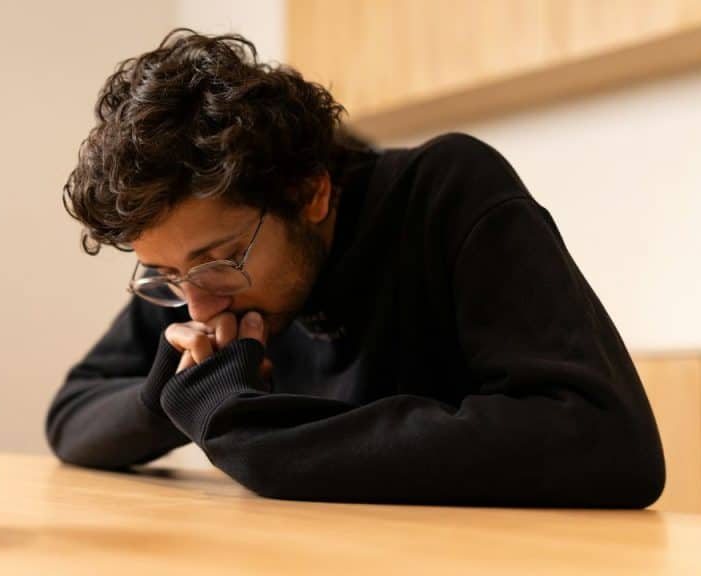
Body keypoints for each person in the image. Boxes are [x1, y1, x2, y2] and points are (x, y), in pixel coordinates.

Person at [45, 28, 666, 507]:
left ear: (311, 193)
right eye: (165, 277)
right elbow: (71, 417)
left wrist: (253, 435)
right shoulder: (193, 266)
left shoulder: (444, 191)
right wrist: (172, 394)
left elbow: (607, 441)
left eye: (220, 263)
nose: (198, 306)